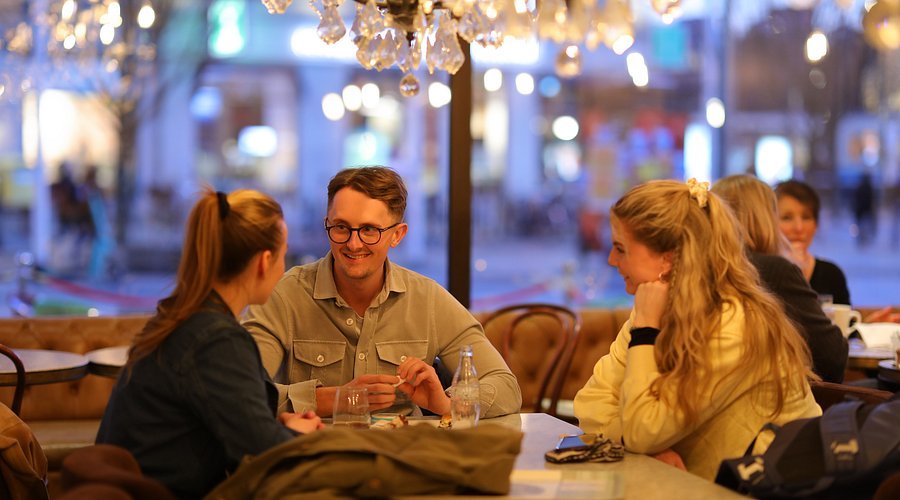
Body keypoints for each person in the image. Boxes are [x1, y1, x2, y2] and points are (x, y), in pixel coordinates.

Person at [574, 179, 820, 481]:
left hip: (773, 486)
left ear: (668, 258)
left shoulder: (734, 324)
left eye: (621, 249)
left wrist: (646, 334)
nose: (612, 261)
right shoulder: (652, 307)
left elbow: (645, 429)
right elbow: (590, 401)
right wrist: (640, 445)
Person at [243, 166, 521, 419]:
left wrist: (447, 403)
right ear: (327, 224)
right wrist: (333, 399)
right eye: (341, 227)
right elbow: (241, 392)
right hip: (314, 459)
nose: (353, 244)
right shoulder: (285, 295)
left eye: (369, 230)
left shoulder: (427, 299)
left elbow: (506, 387)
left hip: (403, 459)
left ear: (397, 235)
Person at [96, 189, 322, 498]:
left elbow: (235, 428)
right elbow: (265, 451)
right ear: (264, 261)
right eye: (284, 255)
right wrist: (298, 435)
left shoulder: (185, 317)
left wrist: (279, 427)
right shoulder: (217, 339)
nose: (284, 267)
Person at [712, 175, 847, 383]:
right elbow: (832, 359)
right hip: (775, 403)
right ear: (765, 219)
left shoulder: (708, 267)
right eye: (783, 216)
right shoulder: (774, 270)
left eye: (807, 217)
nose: (798, 228)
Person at [775, 179, 851, 305]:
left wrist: (869, 324)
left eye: (806, 217)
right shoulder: (762, 276)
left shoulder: (832, 275)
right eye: (787, 218)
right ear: (770, 224)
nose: (799, 228)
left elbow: (844, 323)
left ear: (816, 225)